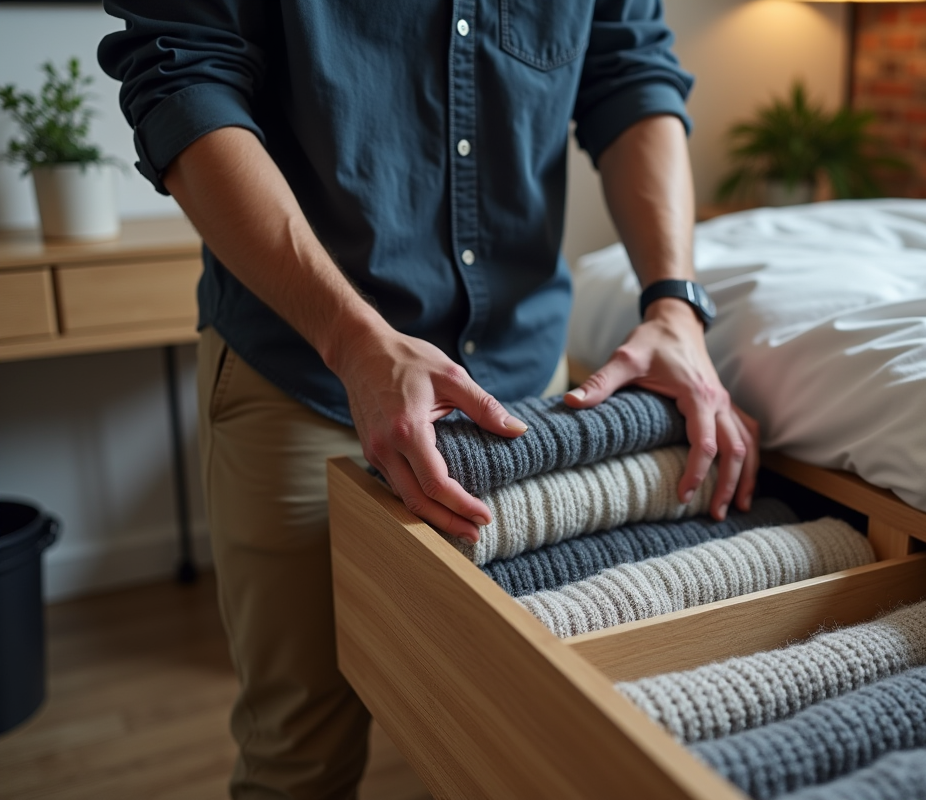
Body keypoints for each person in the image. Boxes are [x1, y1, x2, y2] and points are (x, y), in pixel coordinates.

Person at [99, 2, 759, 797]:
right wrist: (351, 338)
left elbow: (630, 72)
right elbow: (184, 81)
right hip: (312, 375)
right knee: (301, 754)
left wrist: (673, 306)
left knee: (516, 723)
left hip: (526, 389)